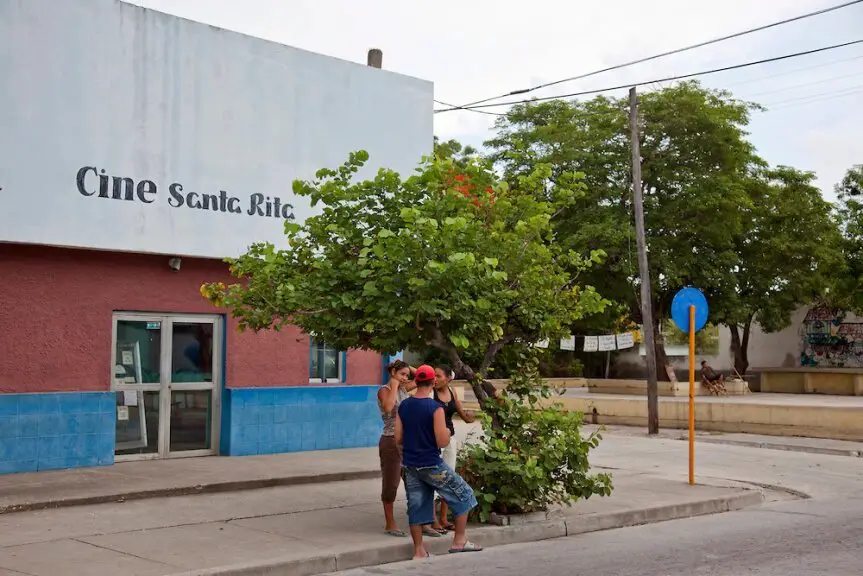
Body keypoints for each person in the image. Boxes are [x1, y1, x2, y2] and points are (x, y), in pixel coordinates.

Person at [396, 364, 482, 559]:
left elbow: (398, 438)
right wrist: (449, 431)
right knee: (465, 494)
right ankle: (459, 541)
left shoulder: (404, 406)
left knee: (416, 504)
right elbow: (442, 440)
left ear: (416, 381)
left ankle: (419, 550)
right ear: (433, 381)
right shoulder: (435, 408)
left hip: (411, 464)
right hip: (432, 463)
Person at [432, 364, 476, 532]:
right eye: (433, 376)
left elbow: (462, 413)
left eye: (439, 376)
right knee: (434, 477)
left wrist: (470, 417)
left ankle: (443, 518)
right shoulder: (430, 393)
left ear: (449, 378)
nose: (435, 379)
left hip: (449, 439)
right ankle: (433, 520)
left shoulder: (452, 392)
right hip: (434, 441)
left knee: (448, 477)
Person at [377, 360, 415, 537]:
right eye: (402, 374)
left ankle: (418, 518)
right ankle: (389, 523)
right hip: (390, 441)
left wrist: (405, 369)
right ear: (393, 372)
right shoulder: (385, 390)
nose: (406, 378)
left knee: (412, 481)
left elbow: (424, 375)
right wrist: (393, 383)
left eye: (407, 375)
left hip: (407, 442)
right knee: (391, 483)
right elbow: (388, 407)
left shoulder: (404, 389)